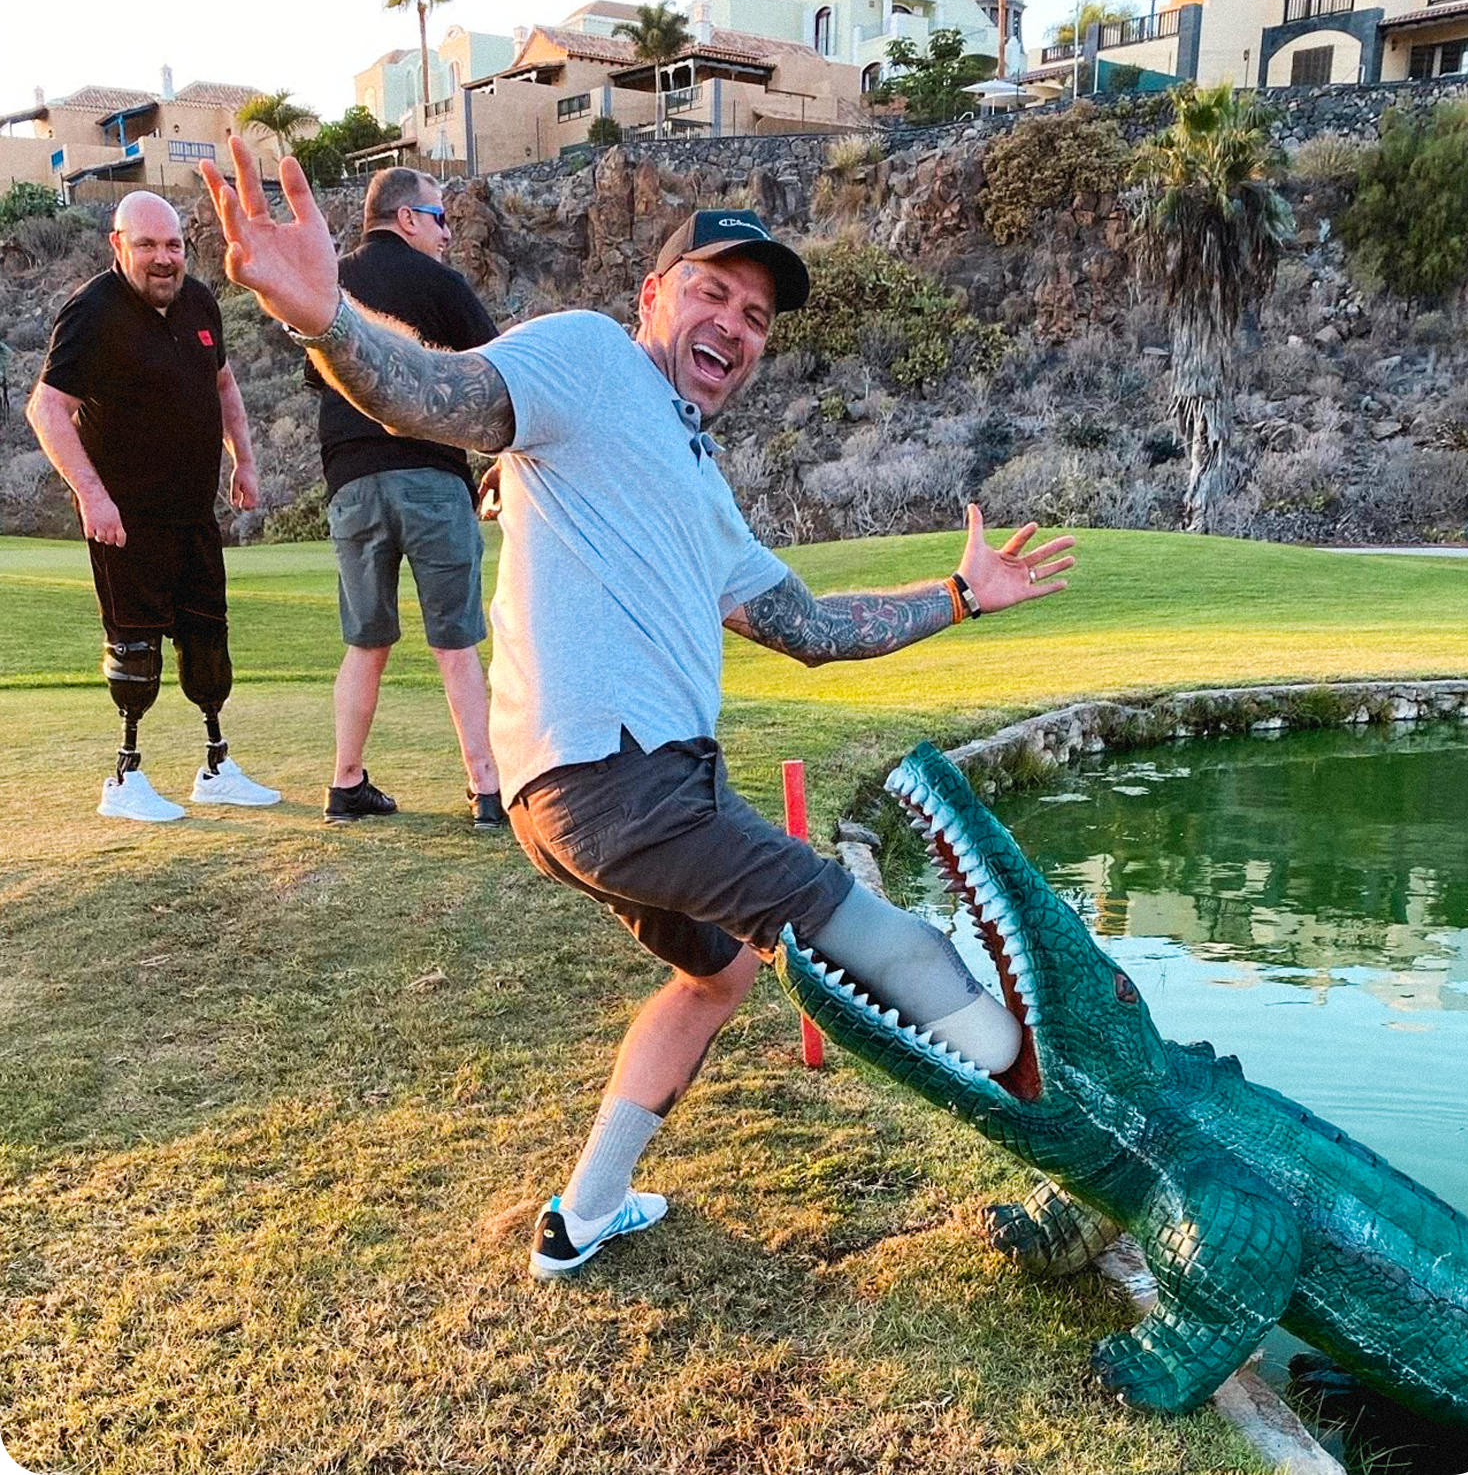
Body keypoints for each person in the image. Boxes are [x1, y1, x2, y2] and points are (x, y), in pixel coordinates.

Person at [201, 141, 1074, 1280]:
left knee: (719, 973)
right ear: (654, 296)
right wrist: (325, 319)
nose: (734, 324)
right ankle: (1078, 1123)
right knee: (863, 924)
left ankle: (585, 1212)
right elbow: (437, 397)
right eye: (712, 291)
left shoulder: (698, 480)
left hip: (594, 797)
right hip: (620, 779)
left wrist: (958, 595)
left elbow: (811, 630)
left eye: (757, 315)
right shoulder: (591, 359)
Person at [27, 190, 279, 822]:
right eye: (147, 245)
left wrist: (244, 460)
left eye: (173, 245)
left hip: (194, 515)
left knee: (208, 646)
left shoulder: (198, 301)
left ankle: (216, 766)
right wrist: (92, 495)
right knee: (135, 656)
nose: (163, 258)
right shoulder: (92, 312)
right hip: (125, 523)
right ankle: (124, 779)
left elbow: (224, 383)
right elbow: (47, 409)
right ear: (119, 245)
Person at [308, 167, 503, 830]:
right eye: (440, 219)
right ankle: (486, 790)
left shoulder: (331, 287)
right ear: (408, 218)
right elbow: (495, 370)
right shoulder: (441, 285)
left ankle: (345, 783)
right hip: (429, 473)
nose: (448, 234)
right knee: (454, 643)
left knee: (367, 641)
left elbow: (319, 373)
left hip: (352, 481)